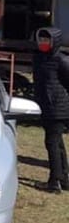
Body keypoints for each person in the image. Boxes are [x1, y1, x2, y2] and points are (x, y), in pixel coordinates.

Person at [32, 26, 69, 193]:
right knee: (57, 143)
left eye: (47, 40)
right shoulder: (40, 58)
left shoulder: (61, 60)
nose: (43, 43)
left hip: (58, 107)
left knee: (52, 142)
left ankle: (54, 181)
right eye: (41, 40)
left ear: (55, 41)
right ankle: (64, 178)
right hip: (46, 106)